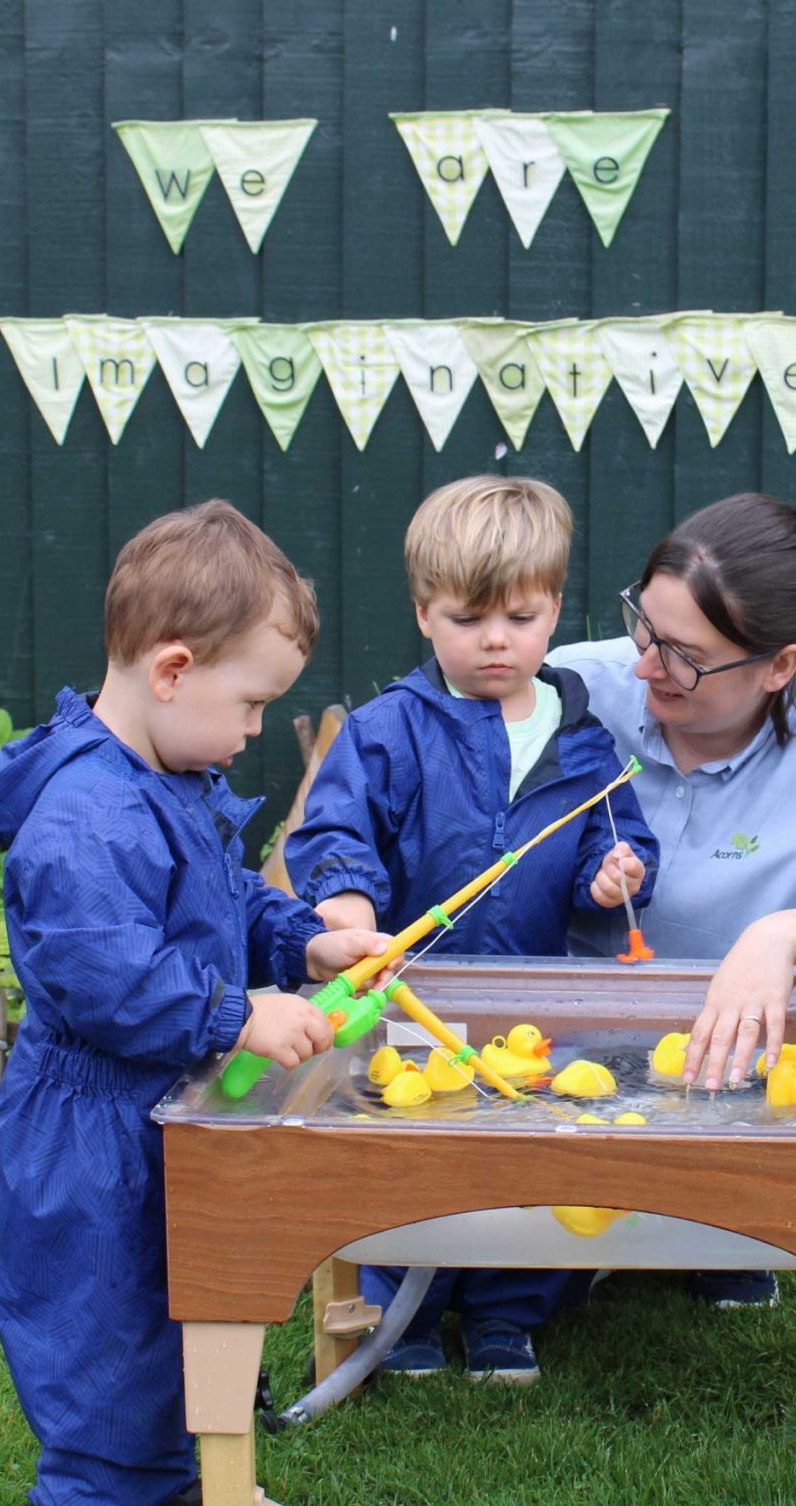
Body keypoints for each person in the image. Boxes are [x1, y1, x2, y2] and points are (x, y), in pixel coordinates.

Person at [0, 502, 390, 1506]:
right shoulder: (85, 816)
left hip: (164, 1094)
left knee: (184, 1284)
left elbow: (216, 903)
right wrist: (235, 1013)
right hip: (91, 1120)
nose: (258, 729)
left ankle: (171, 1468)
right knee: (103, 1311)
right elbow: (104, 971)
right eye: (252, 703)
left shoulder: (170, 777)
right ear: (171, 669)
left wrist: (301, 940)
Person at [287, 475, 658, 1383]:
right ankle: (399, 1306)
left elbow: (618, 832)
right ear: (422, 613)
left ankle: (506, 1311)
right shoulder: (386, 732)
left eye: (522, 619)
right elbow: (334, 830)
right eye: (467, 619)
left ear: (554, 610)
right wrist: (347, 906)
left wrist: (613, 877)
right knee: (407, 1152)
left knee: (520, 1152)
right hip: (411, 996)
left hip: (530, 991)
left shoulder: (582, 738)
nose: (497, 640)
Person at [547, 491, 796, 1307]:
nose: (646, 666)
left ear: (781, 667)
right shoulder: (574, 689)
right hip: (559, 1047)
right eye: (643, 628)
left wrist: (779, 934)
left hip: (743, 1070)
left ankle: (726, 1228)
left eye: (683, 655)